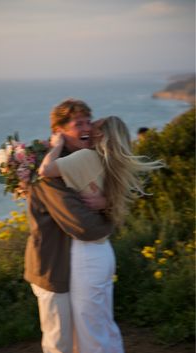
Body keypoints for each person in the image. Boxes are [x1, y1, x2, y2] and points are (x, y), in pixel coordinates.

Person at [39, 116, 164, 353]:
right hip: (103, 253)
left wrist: (55, 145)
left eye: (92, 128)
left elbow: (45, 170)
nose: (86, 130)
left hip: (86, 256)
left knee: (90, 333)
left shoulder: (87, 157)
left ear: (101, 136)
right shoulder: (113, 165)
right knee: (104, 326)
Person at [24, 99, 113, 353]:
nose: (87, 128)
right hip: (52, 267)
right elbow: (84, 226)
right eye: (78, 124)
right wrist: (110, 217)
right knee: (59, 342)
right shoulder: (49, 175)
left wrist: (109, 203)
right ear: (59, 132)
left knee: (80, 338)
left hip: (73, 266)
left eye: (89, 121)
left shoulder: (80, 161)